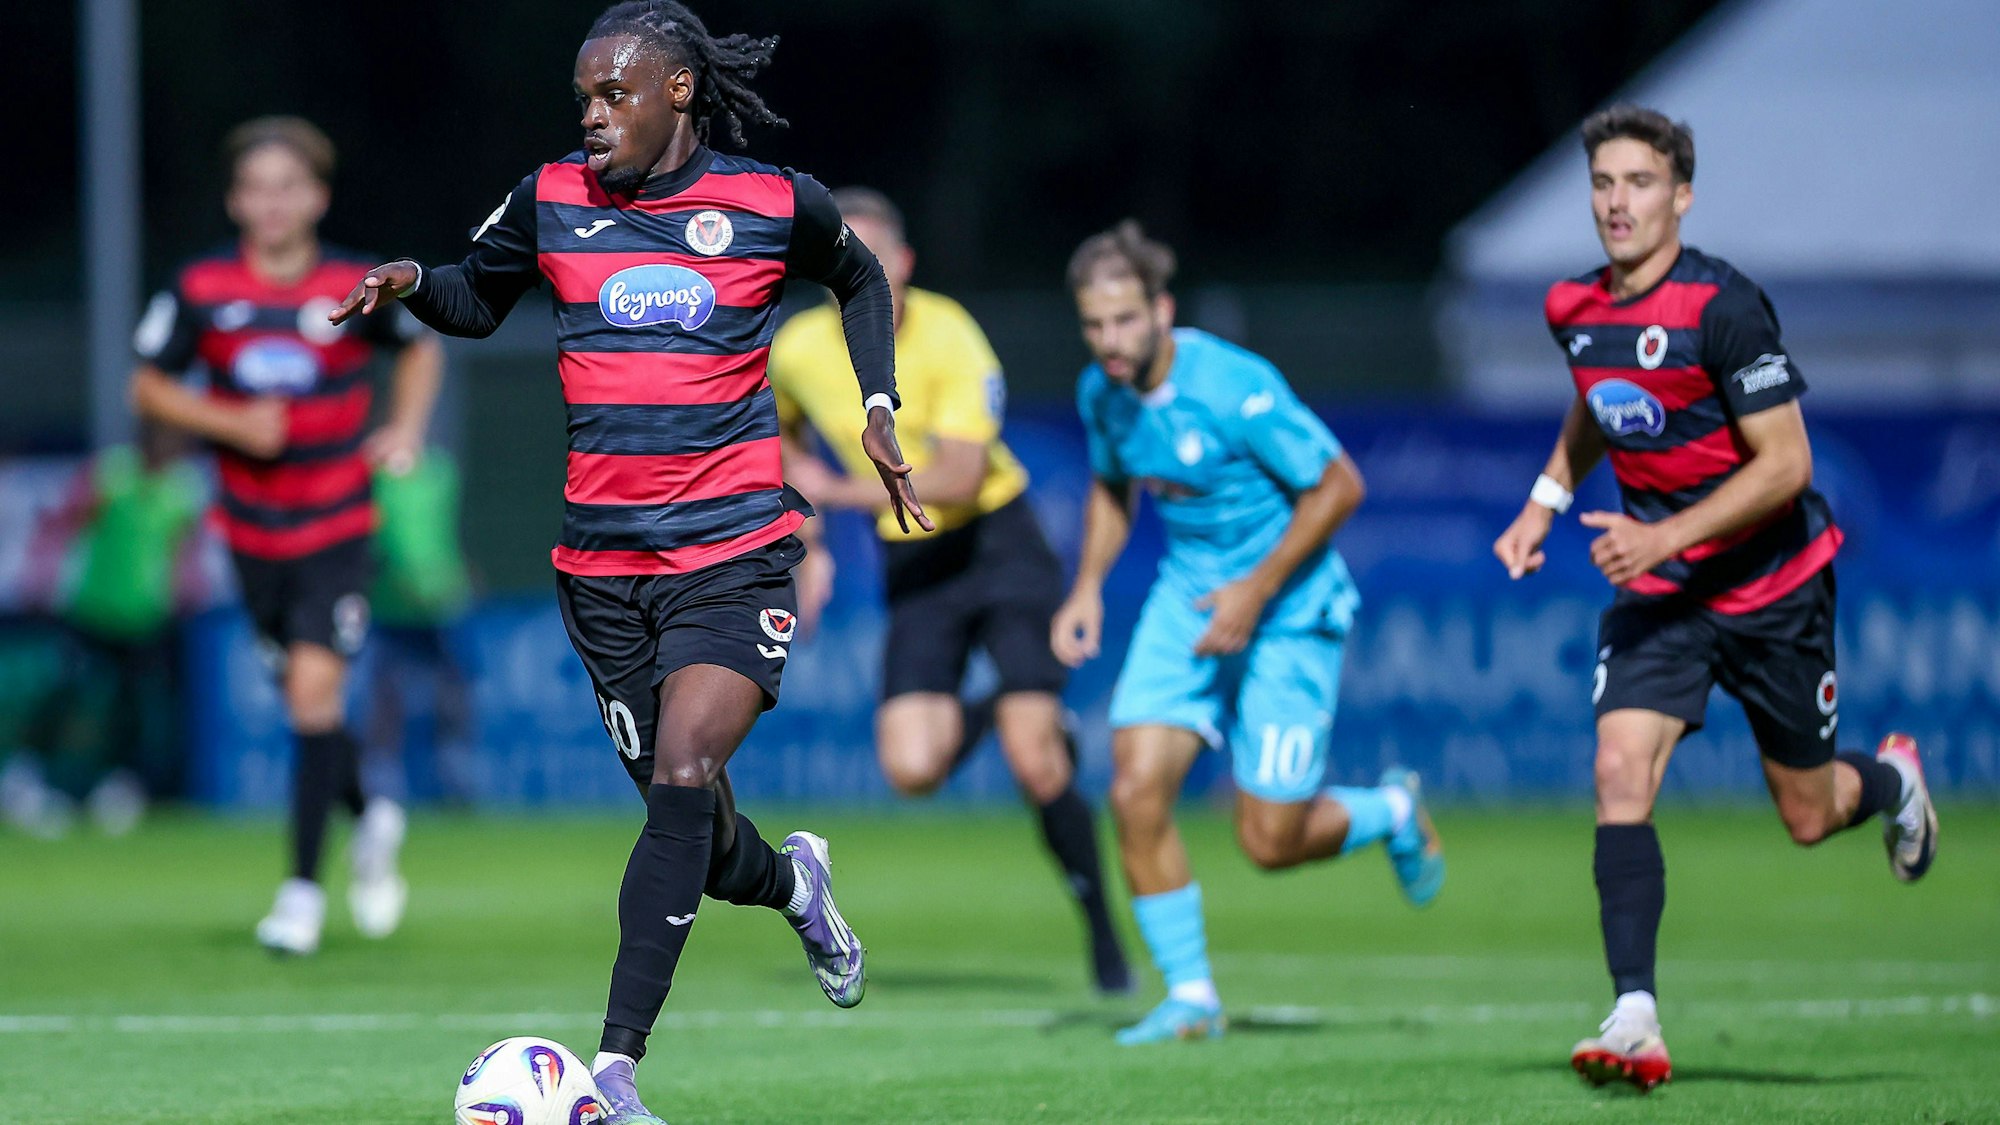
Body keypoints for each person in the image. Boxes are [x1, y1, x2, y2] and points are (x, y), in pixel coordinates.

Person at [328, 5, 928, 1121]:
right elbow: (477, 294)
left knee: (684, 775)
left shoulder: (771, 200)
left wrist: (876, 404)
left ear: (680, 92)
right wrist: (415, 281)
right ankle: (796, 885)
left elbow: (859, 279)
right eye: (584, 101)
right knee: (696, 840)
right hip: (600, 573)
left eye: (614, 96)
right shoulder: (554, 195)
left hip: (736, 553)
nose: (593, 117)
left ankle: (615, 1075)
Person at [1491, 104, 1940, 1092]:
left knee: (1809, 814)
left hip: (1771, 589)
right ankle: (1632, 1011)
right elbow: (1595, 399)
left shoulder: (1722, 307)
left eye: (1638, 183)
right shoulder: (1573, 308)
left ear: (1680, 196)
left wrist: (1661, 533)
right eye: (1602, 184)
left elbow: (1784, 464)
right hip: (1661, 596)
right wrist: (1543, 500)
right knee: (1617, 768)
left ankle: (1893, 781)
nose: (1616, 203)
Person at [1050, 221, 1444, 1045]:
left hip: (1290, 610)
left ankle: (1394, 810)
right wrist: (1085, 585)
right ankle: (1191, 995)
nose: (1109, 342)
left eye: (1124, 320)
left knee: (1270, 839)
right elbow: (1114, 487)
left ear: (1160, 309)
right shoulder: (1102, 392)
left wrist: (1255, 590)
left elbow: (1340, 485)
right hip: (1188, 601)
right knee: (1133, 789)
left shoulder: (1233, 385)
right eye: (1093, 324)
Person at [769, 186, 1130, 995]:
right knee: (911, 766)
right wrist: (813, 537)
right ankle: (1010, 703)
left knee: (1039, 761)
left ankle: (1106, 937)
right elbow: (775, 431)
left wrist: (836, 491)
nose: (859, 275)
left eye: (873, 261)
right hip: (916, 564)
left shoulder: (951, 334)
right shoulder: (797, 347)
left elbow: (963, 477)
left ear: (904, 264)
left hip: (997, 544)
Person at [130, 116, 443, 955]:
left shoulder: (350, 282)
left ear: (317, 197)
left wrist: (405, 429)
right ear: (236, 199)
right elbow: (150, 386)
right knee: (307, 707)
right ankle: (372, 810)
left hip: (337, 521)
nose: (272, 202)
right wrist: (225, 416)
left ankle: (301, 893)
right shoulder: (201, 288)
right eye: (257, 187)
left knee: (312, 695)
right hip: (249, 532)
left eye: (288, 186)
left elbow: (418, 350)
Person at [9, 423, 205, 836]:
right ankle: (28, 777)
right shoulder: (113, 475)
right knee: (67, 695)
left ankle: (119, 787)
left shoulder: (183, 490)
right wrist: (41, 576)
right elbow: (65, 524)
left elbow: (184, 549)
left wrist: (185, 587)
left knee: (133, 705)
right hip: (93, 608)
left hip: (143, 617)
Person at [363, 447, 476, 806]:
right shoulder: (368, 477)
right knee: (386, 699)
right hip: (389, 607)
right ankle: (381, 784)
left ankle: (456, 778)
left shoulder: (441, 473)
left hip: (439, 605)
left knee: (453, 698)